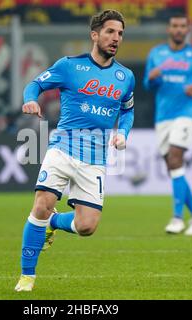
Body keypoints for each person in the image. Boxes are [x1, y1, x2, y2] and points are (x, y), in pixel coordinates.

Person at [15, 9, 135, 291]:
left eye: (120, 34)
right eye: (110, 32)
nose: (115, 38)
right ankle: (26, 277)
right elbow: (36, 84)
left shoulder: (125, 77)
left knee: (86, 227)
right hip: (63, 147)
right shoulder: (69, 66)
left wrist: (123, 133)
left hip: (94, 159)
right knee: (41, 204)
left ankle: (53, 222)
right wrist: (31, 100)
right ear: (95, 35)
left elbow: (128, 112)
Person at [143, 13, 192, 236]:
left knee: (175, 159)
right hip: (163, 117)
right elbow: (147, 84)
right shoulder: (156, 53)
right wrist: (152, 78)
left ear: (188, 29)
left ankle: (176, 218)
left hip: (186, 114)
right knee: (175, 168)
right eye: (175, 26)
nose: (179, 30)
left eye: (183, 26)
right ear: (169, 29)